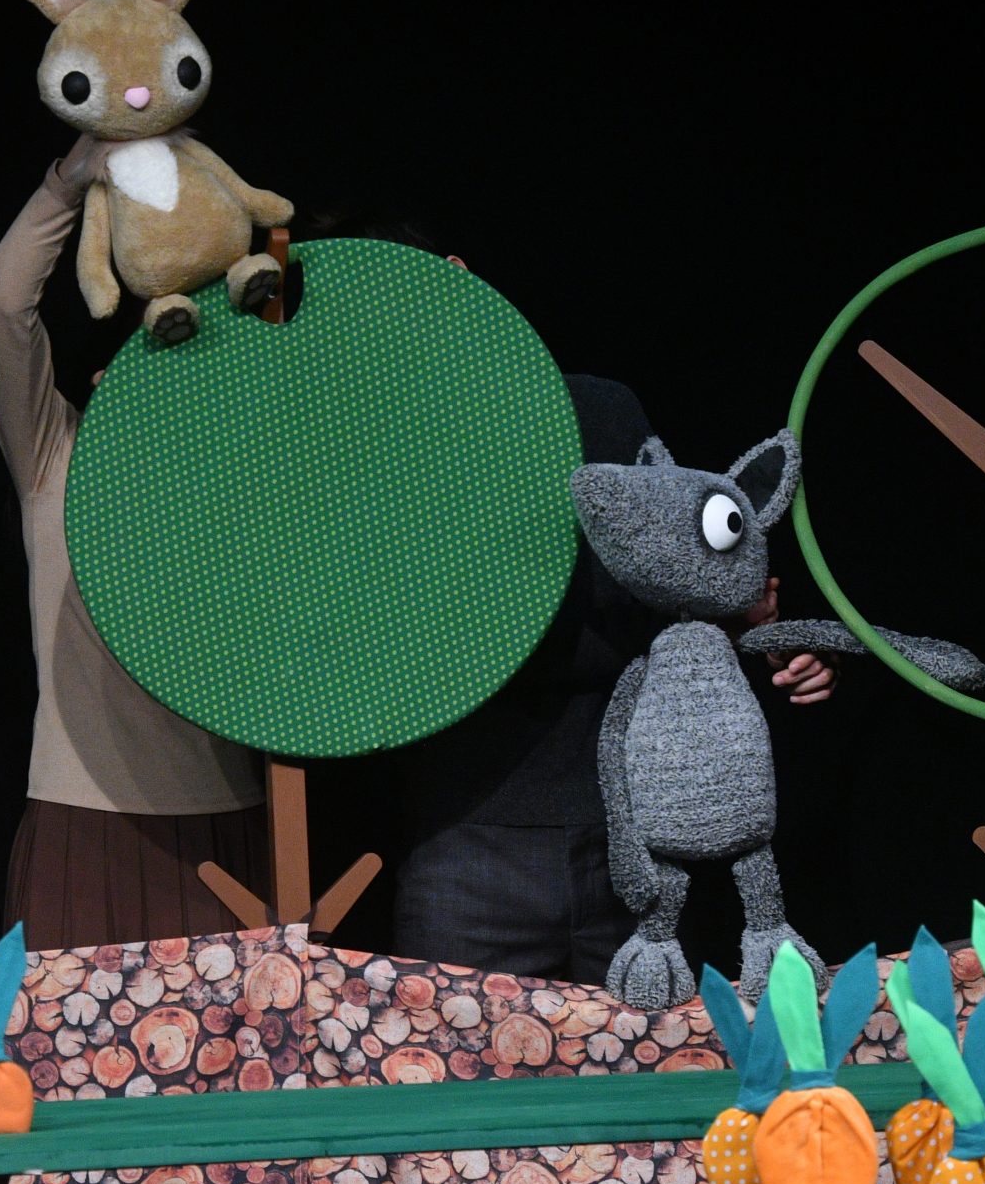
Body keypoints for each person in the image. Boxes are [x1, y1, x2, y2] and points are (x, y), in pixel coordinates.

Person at [308, 219, 836, 983]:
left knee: (656, 1056)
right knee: (454, 1060)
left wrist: (763, 631)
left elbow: (681, 582)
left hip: (634, 839)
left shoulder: (598, 409)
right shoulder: (372, 456)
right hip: (465, 842)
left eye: (405, 297)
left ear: (456, 275)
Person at [0, 151, 269, 949]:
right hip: (80, 826)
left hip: (226, 824)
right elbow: (4, 307)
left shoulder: (237, 486)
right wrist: (64, 185)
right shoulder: (55, 458)